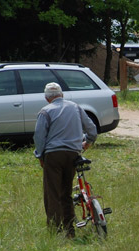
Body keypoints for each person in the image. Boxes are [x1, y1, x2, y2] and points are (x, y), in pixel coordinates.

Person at [33, 82, 97, 237]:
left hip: (53, 156)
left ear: (46, 98)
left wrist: (40, 155)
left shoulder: (45, 112)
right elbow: (92, 129)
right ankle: (70, 230)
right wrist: (87, 142)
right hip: (73, 154)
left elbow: (39, 137)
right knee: (66, 192)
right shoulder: (75, 107)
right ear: (61, 95)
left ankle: (55, 230)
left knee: (52, 193)